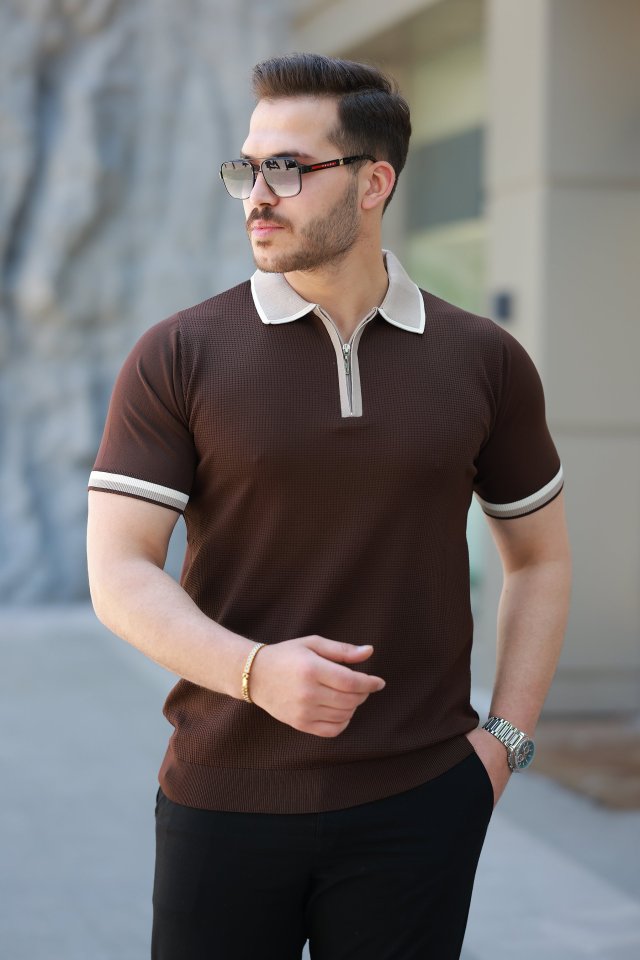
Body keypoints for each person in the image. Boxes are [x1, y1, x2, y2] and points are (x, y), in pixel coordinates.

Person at [87, 53, 571, 960]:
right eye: (247, 168)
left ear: (374, 183)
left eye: (288, 168)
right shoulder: (178, 354)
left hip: (422, 802)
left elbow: (539, 559)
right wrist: (253, 671)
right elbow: (118, 571)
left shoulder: (484, 360)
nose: (257, 196)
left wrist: (503, 744)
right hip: (222, 797)